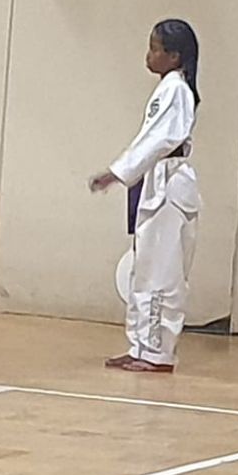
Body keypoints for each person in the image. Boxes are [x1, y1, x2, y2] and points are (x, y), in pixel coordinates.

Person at [89, 20, 201, 374]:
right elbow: (148, 142)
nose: (148, 55)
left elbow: (161, 141)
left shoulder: (176, 89)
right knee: (144, 269)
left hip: (169, 185)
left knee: (162, 273)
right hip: (154, 180)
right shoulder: (167, 89)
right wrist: (124, 171)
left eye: (155, 49)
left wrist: (117, 172)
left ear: (174, 56)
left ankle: (158, 352)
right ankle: (140, 345)